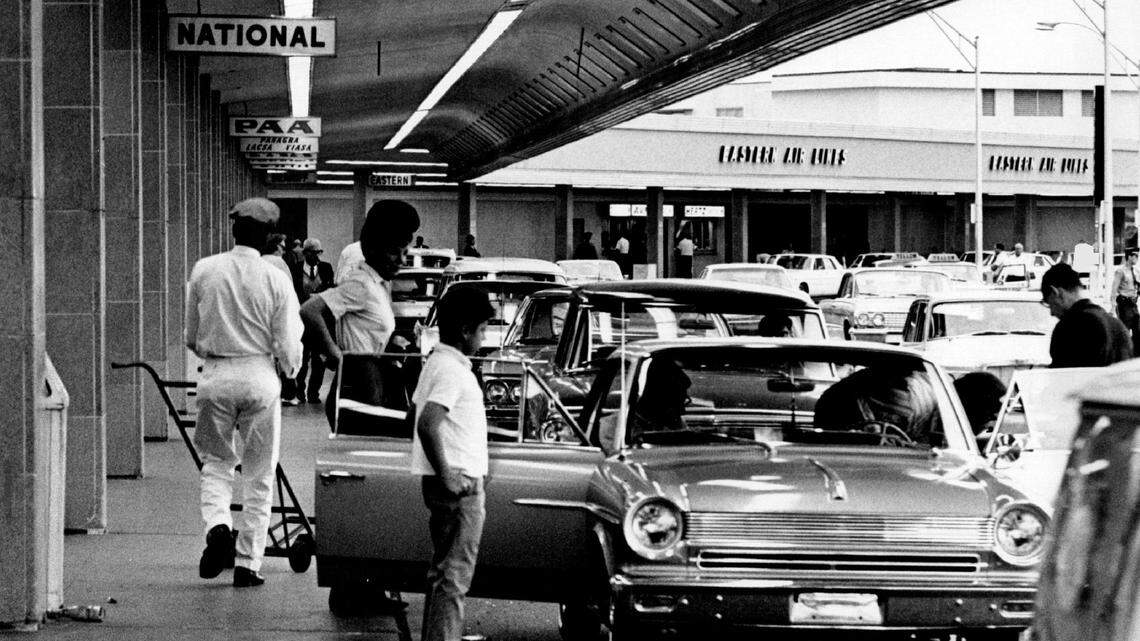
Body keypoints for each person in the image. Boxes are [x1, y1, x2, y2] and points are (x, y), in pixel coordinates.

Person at [185, 197, 302, 588]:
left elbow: (191, 336)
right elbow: (287, 344)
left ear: (234, 229)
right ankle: (249, 563)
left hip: (216, 374)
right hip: (259, 375)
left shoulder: (205, 270)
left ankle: (218, 527)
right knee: (259, 473)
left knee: (216, 463)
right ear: (269, 236)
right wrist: (290, 370)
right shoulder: (276, 279)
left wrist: (214, 353)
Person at [410, 286, 496, 641]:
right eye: (482, 329)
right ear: (464, 330)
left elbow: (413, 411)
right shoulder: (452, 371)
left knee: (442, 574)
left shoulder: (437, 363)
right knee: (455, 579)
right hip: (458, 487)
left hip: (448, 482)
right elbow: (427, 423)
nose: (485, 336)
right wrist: (448, 473)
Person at [301, 200, 421, 431]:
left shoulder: (378, 284)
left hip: (373, 379)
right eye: (395, 253)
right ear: (375, 249)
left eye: (405, 253)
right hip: (358, 382)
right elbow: (309, 310)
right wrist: (335, 354)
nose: (402, 261)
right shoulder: (361, 283)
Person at [1042, 263, 1132, 367]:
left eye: (1050, 304)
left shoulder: (1069, 327)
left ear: (1057, 293)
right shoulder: (1118, 326)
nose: (1052, 313)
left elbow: (1062, 378)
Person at [292, 238, 335, 404]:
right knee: (302, 358)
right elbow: (294, 291)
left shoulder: (326, 268)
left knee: (319, 360)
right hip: (301, 319)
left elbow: (330, 289)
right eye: (314, 253)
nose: (317, 256)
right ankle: (300, 391)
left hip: (320, 320)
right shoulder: (295, 269)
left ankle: (314, 393)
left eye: (319, 252)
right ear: (305, 253)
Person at [261, 232, 298, 405]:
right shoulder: (279, 262)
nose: (284, 251)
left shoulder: (260, 260)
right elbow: (288, 292)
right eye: (283, 247)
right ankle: (288, 391)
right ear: (276, 246)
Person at [1112, 248, 1139, 351]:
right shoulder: (1120, 271)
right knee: (1125, 329)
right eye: (1136, 256)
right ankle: (1124, 352)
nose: (1137, 258)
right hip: (1124, 303)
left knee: (1137, 329)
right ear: (1129, 257)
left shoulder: (1135, 271)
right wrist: (1112, 305)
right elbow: (1114, 288)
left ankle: (1136, 352)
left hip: (1133, 304)